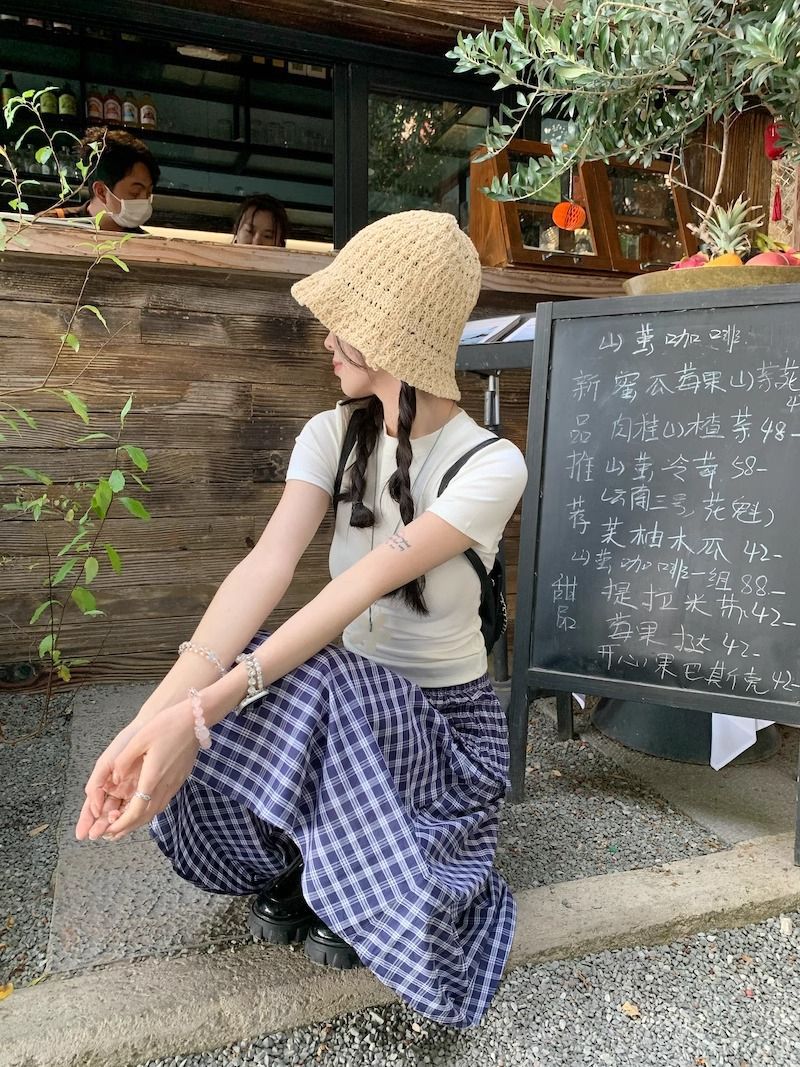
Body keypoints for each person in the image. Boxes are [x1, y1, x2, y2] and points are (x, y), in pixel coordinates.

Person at [75, 210, 528, 1027]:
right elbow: (265, 568)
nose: (326, 336)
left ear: (392, 335)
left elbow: (348, 597)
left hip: (445, 738)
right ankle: (307, 860)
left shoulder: (492, 465)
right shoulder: (329, 433)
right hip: (349, 707)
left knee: (298, 673)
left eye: (344, 322)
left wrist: (200, 715)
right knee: (262, 663)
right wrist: (149, 725)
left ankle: (357, 873)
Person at [43, 127, 159, 233]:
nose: (144, 201)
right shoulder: (49, 225)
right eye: (135, 192)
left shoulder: (144, 241)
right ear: (101, 191)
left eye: (149, 194)